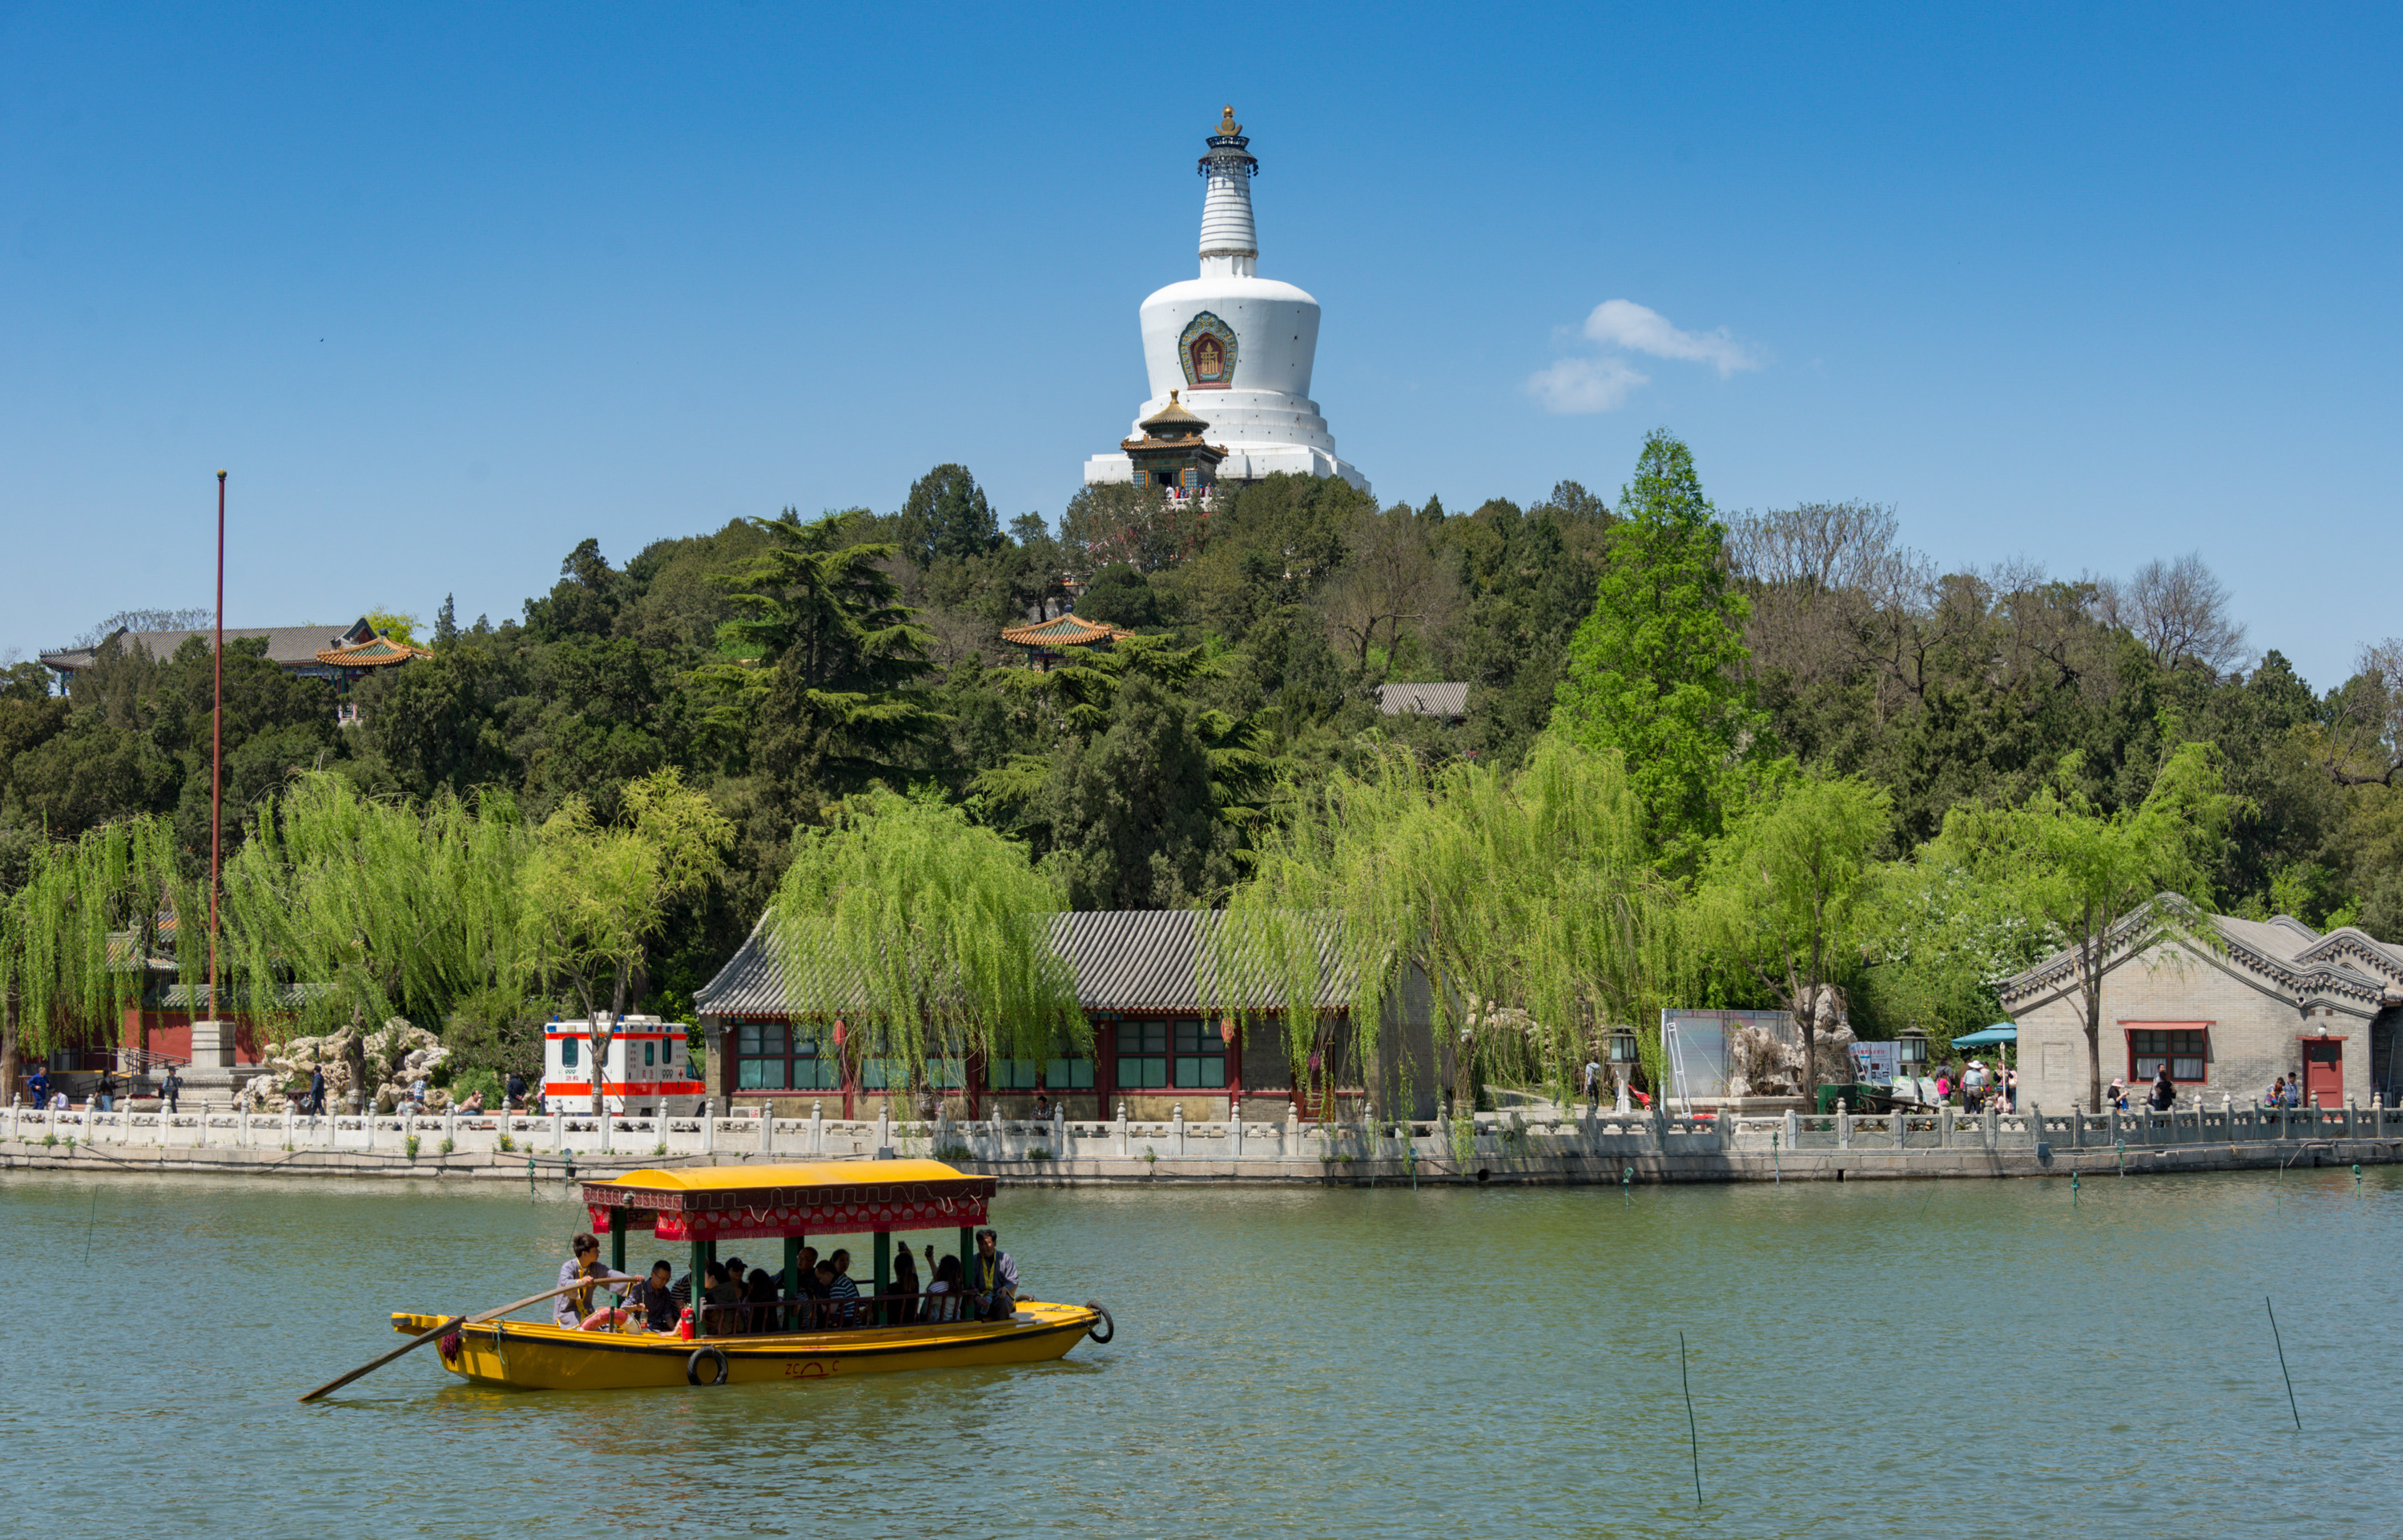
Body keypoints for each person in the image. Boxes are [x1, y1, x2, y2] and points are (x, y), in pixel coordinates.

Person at [554, 1233, 638, 1329]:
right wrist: (580, 1282)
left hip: (587, 1312)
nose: (599, 1252)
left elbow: (609, 1274)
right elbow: (566, 1284)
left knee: (605, 1329)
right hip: (568, 1314)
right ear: (584, 1254)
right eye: (595, 1250)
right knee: (581, 1328)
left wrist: (631, 1280)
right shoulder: (568, 1267)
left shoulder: (595, 1267)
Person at [967, 1228, 1019, 1322]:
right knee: (967, 1303)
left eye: (987, 1243)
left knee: (1004, 1301)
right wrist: (977, 1298)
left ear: (995, 1243)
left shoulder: (1005, 1259)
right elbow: (969, 1284)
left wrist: (1005, 1290)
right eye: (981, 1244)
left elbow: (1013, 1281)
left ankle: (1001, 1328)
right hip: (980, 1300)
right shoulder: (973, 1260)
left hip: (999, 1298)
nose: (984, 1247)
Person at [824, 1249, 862, 1327]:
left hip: (845, 1322)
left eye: (847, 1260)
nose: (845, 1263)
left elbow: (832, 1309)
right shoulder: (833, 1281)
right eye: (842, 1260)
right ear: (833, 1263)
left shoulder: (840, 1283)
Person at [924, 1253, 963, 1322]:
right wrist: (931, 1261)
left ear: (941, 1269)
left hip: (936, 1324)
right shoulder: (960, 1287)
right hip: (955, 1322)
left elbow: (924, 1312)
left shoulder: (934, 1289)